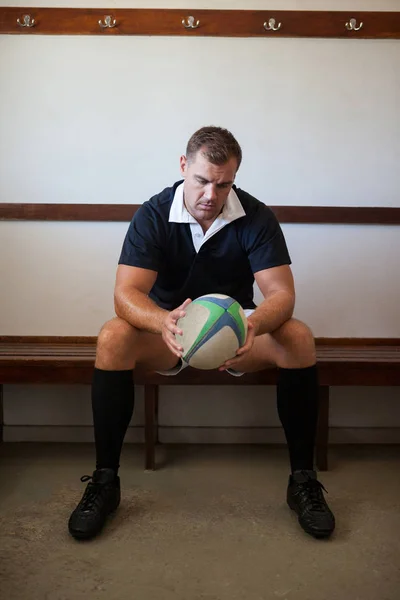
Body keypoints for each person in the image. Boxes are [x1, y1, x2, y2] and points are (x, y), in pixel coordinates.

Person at [68, 126, 335, 541]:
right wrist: (163, 323)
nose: (212, 194)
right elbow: (125, 295)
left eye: (224, 183)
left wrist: (254, 325)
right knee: (112, 336)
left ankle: (303, 481)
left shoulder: (256, 216)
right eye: (202, 181)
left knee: (298, 336)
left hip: (237, 332)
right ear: (183, 166)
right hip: (168, 331)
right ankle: (105, 482)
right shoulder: (154, 213)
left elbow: (282, 295)